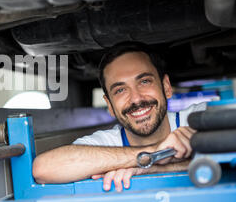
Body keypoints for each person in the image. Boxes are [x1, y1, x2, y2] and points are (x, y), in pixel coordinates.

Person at [32, 42, 207, 192]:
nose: (136, 99)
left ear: (166, 87)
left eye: (144, 81)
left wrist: (155, 168)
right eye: (120, 90)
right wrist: (152, 155)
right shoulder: (107, 142)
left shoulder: (197, 117)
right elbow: (43, 169)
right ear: (109, 105)